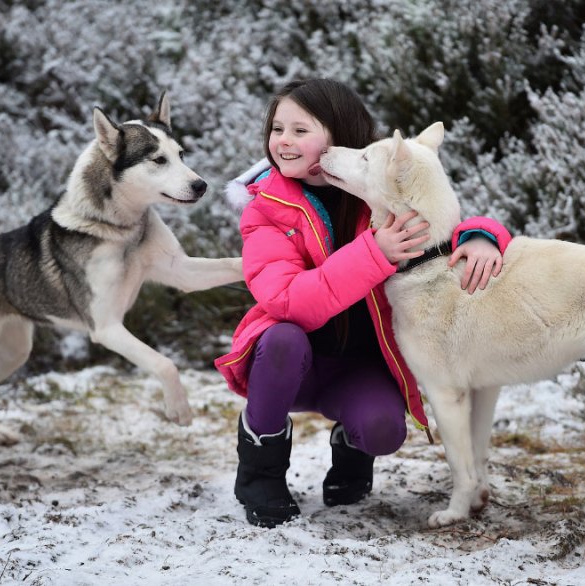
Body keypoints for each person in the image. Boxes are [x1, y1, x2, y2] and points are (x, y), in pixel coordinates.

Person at [215, 78, 512, 528]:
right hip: (292, 366)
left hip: (361, 367)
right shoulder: (265, 210)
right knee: (282, 338)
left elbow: (438, 214)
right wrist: (375, 253)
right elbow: (287, 299)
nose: (284, 141)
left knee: (382, 431)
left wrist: (485, 235)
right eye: (278, 129)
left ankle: (351, 448)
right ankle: (260, 469)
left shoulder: (373, 186)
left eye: (301, 130)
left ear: (340, 134)